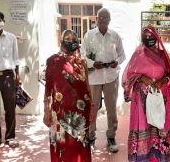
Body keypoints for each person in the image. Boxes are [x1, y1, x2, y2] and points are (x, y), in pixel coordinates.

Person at [122, 26, 170, 162]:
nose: (148, 39)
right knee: (143, 125)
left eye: (150, 36)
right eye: (145, 37)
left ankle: (158, 157)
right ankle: (141, 157)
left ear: (156, 37)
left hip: (159, 98)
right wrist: (140, 78)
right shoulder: (138, 55)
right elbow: (128, 76)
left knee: (158, 125)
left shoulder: (163, 55)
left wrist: (164, 80)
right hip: (141, 99)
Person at [43, 29, 92, 162]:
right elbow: (48, 88)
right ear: (61, 41)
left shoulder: (82, 62)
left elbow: (87, 86)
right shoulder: (53, 61)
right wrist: (46, 110)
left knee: (80, 146)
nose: (72, 42)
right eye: (68, 39)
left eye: (75, 40)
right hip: (60, 113)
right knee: (62, 146)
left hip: (81, 113)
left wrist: (92, 108)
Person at [81, 8, 126, 153]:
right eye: (101, 18)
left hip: (111, 76)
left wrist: (116, 62)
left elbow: (122, 55)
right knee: (92, 108)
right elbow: (82, 56)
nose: (103, 20)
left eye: (106, 18)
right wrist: (93, 63)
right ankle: (91, 138)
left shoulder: (115, 36)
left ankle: (111, 137)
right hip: (94, 77)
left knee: (111, 109)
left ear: (109, 20)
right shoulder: (89, 36)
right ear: (96, 19)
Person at [0, 10, 21, 152]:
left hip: (8, 77)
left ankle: (10, 137)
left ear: (3, 21)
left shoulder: (11, 38)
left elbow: (16, 58)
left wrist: (17, 76)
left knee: (10, 108)